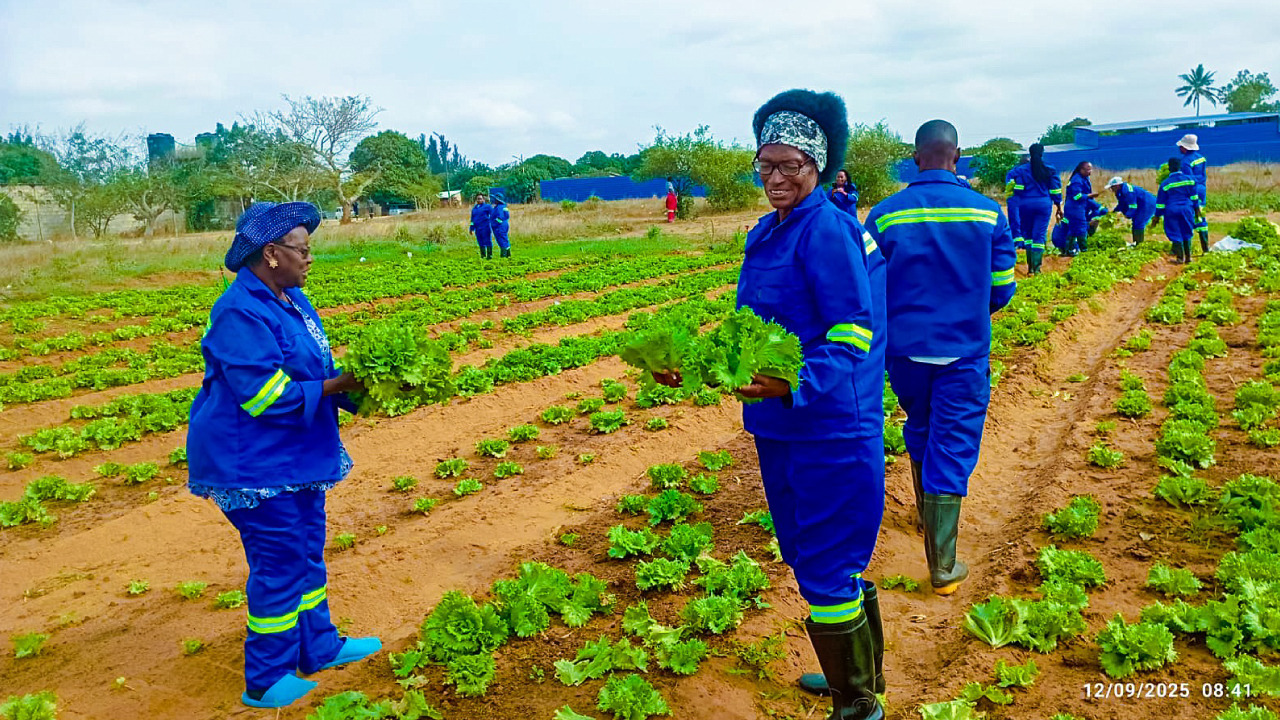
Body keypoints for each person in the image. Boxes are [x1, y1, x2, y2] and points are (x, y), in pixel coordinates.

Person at [651, 89, 885, 720]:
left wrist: (796, 384)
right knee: (812, 551)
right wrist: (693, 366)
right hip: (779, 425)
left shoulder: (828, 230)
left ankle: (856, 702)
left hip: (829, 426)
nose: (775, 178)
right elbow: (751, 332)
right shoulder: (770, 230)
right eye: (766, 165)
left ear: (820, 166)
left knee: (828, 557)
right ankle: (858, 681)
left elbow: (853, 331)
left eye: (790, 166)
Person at [187, 202, 381, 709]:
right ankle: (267, 679)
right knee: (279, 562)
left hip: (293, 456)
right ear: (272, 254)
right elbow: (263, 396)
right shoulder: (239, 310)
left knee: (307, 552)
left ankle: (317, 646)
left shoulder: (290, 301)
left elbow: (316, 366)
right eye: (302, 249)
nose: (309, 258)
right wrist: (338, 384)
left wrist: (361, 388)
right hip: (251, 463)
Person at [864, 119, 1016, 598]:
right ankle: (943, 566)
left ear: (916, 157)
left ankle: (924, 515)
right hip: (963, 351)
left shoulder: (884, 216)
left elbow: (869, 288)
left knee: (921, 426)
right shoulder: (989, 214)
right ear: (957, 155)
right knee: (952, 443)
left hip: (904, 353)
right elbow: (1002, 289)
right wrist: (967, 311)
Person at [1007, 143, 1061, 274]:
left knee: (1028, 236)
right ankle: (1036, 269)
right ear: (1042, 153)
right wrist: (1059, 207)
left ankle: (1030, 268)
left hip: (1024, 205)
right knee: (1039, 235)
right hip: (1043, 205)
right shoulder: (1049, 169)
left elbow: (1012, 187)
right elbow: (1055, 190)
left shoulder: (1019, 170)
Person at [1154, 157, 1201, 264]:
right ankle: (1188, 258)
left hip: (1171, 211)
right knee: (1187, 231)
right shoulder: (1190, 180)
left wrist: (1156, 217)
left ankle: (1180, 258)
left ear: (1169, 168)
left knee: (1175, 232)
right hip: (1186, 209)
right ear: (1180, 167)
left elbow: (1160, 204)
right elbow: (1194, 198)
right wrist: (1197, 211)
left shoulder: (1165, 184)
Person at [1177, 134, 1210, 251]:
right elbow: (1202, 175)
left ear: (1185, 147)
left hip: (1192, 191)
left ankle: (1187, 251)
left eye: (1181, 146)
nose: (1179, 148)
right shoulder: (1201, 158)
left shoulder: (1185, 162)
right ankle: (1205, 248)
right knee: (1201, 216)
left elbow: (1188, 181)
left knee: (1188, 217)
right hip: (1202, 189)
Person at [1062, 161, 1101, 256]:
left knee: (1074, 229)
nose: (1090, 171)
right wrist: (1091, 195)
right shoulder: (1077, 180)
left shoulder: (1085, 178)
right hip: (1074, 208)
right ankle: (1083, 250)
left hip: (1080, 207)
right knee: (1081, 228)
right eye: (1088, 169)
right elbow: (1076, 196)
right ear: (1081, 169)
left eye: (1091, 169)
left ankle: (1069, 250)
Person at [1106, 176, 1157, 246]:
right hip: (1140, 204)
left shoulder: (1128, 191)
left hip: (1147, 204)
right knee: (1135, 223)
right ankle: (1136, 242)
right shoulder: (1119, 192)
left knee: (1139, 222)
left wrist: (1128, 215)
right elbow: (1121, 204)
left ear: (1117, 186)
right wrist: (1114, 212)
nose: (1111, 189)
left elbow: (1132, 205)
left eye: (1112, 187)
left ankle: (1139, 244)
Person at [1004, 156, 1027, 251]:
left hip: (1015, 199)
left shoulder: (1013, 172)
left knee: (1016, 220)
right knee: (1019, 221)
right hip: (1018, 198)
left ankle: (1018, 242)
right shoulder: (1016, 172)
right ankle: (1020, 242)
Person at [469, 193, 494, 259]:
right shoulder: (474, 209)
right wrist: (471, 228)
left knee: (487, 241)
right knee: (480, 242)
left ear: (483, 199)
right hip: (478, 228)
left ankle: (489, 256)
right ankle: (483, 255)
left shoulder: (487, 207)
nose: (479, 200)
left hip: (485, 227)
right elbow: (472, 219)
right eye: (477, 199)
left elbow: (493, 215)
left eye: (480, 199)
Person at [489, 189, 512, 258]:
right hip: (503, 225)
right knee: (505, 239)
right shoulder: (503, 207)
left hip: (499, 227)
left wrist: (494, 224)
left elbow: (500, 218)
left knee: (502, 241)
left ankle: (504, 256)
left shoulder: (499, 208)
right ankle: (508, 255)